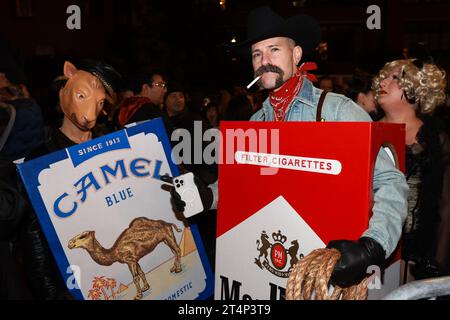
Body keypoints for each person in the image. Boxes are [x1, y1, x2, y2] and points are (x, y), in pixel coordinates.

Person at [164, 6, 409, 289]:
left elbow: (390, 181)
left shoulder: (337, 110)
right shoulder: (255, 122)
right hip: (271, 266)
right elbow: (242, 188)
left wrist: (374, 245)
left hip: (329, 267)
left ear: (296, 55)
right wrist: (207, 196)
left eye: (273, 50)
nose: (264, 60)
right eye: (257, 54)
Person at [20, 60, 121, 299]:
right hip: (73, 278)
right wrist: (51, 293)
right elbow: (34, 236)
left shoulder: (112, 147)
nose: (90, 115)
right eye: (81, 96)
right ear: (64, 91)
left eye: (100, 104)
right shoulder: (41, 160)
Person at [373, 58, 450, 279]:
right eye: (385, 76)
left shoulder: (435, 139)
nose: (384, 81)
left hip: (415, 258)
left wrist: (435, 264)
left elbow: (446, 206)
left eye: (395, 78)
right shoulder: (366, 129)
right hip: (369, 248)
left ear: (415, 89)